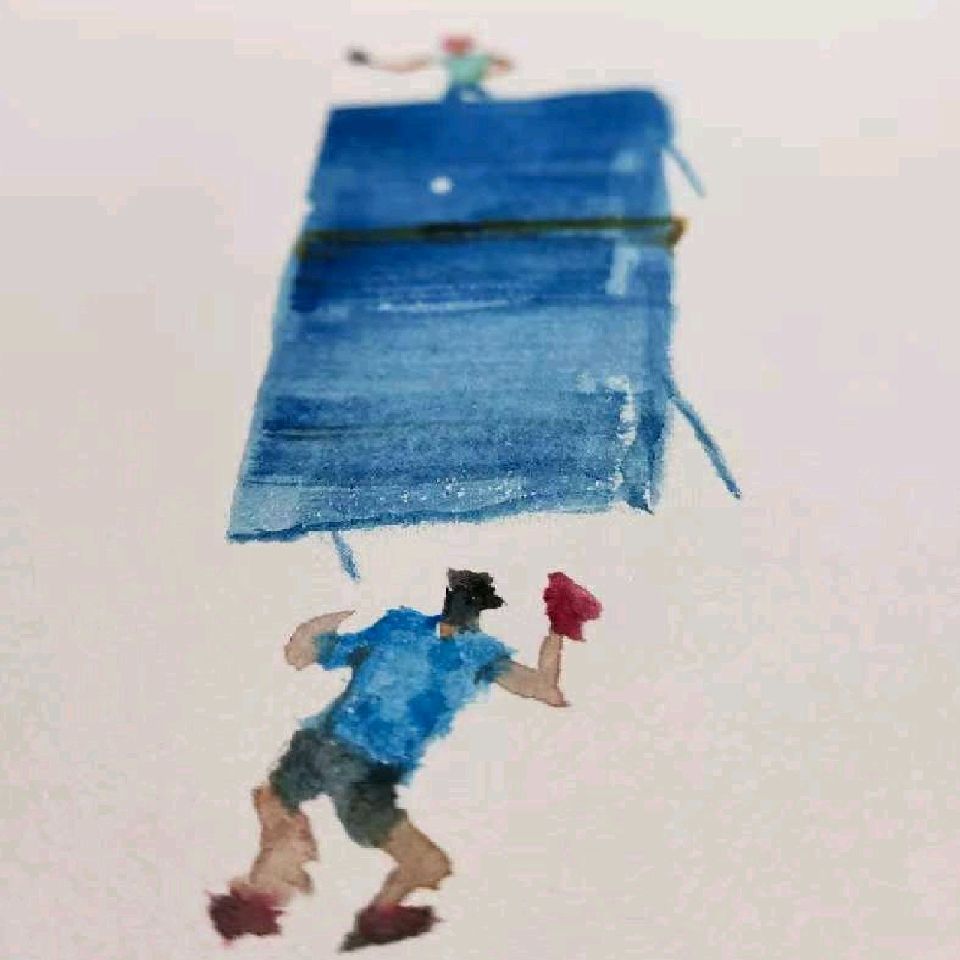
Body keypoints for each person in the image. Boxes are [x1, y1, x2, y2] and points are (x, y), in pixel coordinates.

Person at [210, 569, 577, 949]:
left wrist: (560, 622)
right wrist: (561, 622)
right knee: (426, 864)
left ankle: (372, 915)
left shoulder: (471, 652)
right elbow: (308, 651)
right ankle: (370, 914)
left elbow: (545, 689)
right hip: (345, 759)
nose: (460, 613)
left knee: (428, 864)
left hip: (350, 764)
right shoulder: (407, 631)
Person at [347, 35, 513, 102]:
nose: (457, 49)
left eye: (460, 44)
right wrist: (371, 61)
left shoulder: (480, 57)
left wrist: (488, 72)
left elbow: (507, 65)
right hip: (456, 89)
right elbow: (405, 66)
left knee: (488, 106)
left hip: (471, 88)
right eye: (453, 45)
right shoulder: (447, 59)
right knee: (447, 108)